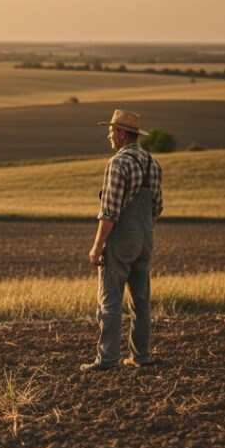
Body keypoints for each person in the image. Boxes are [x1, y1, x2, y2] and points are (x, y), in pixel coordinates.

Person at [80, 109, 163, 371]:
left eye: (111, 131)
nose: (109, 136)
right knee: (141, 301)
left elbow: (110, 211)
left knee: (110, 301)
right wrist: (144, 233)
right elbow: (156, 207)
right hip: (145, 238)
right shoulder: (153, 163)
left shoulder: (117, 164)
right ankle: (142, 356)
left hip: (122, 239)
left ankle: (107, 359)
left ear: (122, 133)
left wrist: (97, 246)